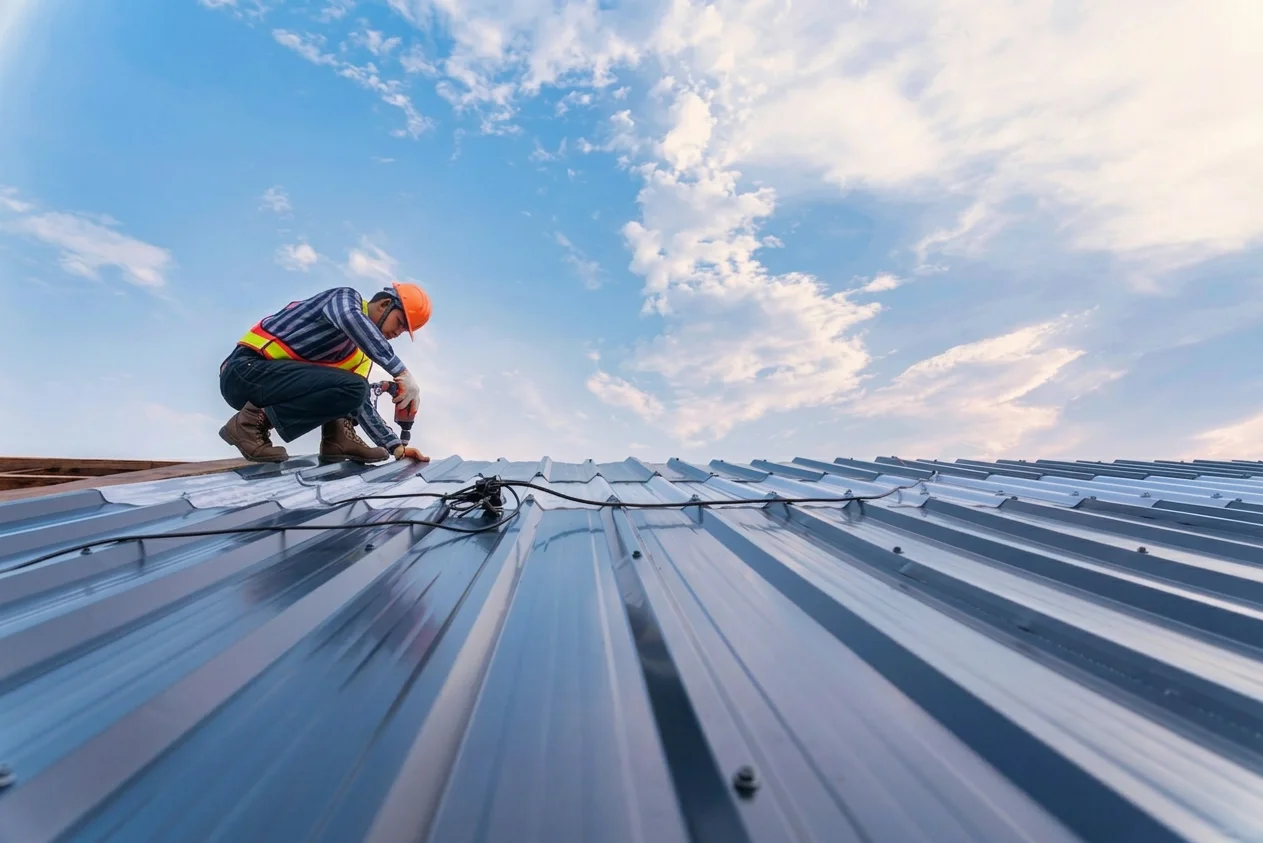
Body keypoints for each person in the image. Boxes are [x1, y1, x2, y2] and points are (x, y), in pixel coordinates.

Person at [217, 282, 432, 464]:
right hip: (244, 372)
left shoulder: (360, 356)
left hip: (271, 388)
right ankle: (249, 424)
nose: (398, 332)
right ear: (385, 304)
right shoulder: (344, 299)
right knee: (355, 385)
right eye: (400, 323)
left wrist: (396, 447)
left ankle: (337, 439)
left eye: (404, 331)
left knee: (355, 389)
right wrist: (401, 372)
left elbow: (361, 402)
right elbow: (350, 319)